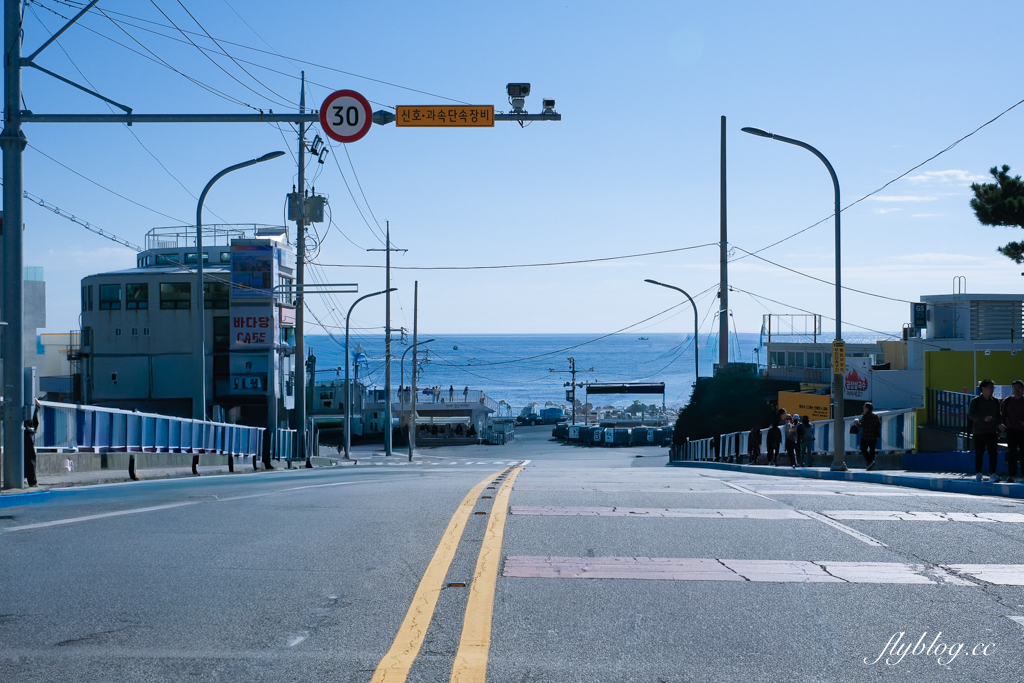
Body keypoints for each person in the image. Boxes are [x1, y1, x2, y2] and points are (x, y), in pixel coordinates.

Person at [968, 379, 1002, 483]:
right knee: (979, 453)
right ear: (983, 389)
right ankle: (979, 473)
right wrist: (983, 418)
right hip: (979, 431)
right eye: (990, 387)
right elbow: (971, 415)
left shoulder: (995, 401)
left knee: (993, 453)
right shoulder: (976, 401)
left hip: (991, 431)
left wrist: (999, 426)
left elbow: (998, 415)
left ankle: (993, 473)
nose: (992, 389)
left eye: (993, 387)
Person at [1001, 380, 1024, 483]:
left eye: (1019, 387)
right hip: (1011, 430)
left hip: (1023, 431)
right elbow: (1003, 416)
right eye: (1015, 387)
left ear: (1022, 389)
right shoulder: (1007, 401)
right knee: (1012, 454)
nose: (1017, 390)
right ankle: (1012, 475)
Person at [853, 402, 882, 470]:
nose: (863, 409)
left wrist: (857, 422)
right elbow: (879, 425)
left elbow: (862, 426)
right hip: (874, 436)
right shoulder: (875, 416)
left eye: (864, 407)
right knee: (872, 450)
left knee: (863, 449)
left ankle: (870, 461)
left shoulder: (865, 416)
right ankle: (870, 464)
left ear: (867, 408)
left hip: (866, 436)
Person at [24, 398, 40, 487]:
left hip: (16, 430)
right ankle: (32, 481)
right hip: (26, 431)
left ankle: (24, 477)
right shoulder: (28, 397)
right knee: (29, 456)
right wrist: (37, 407)